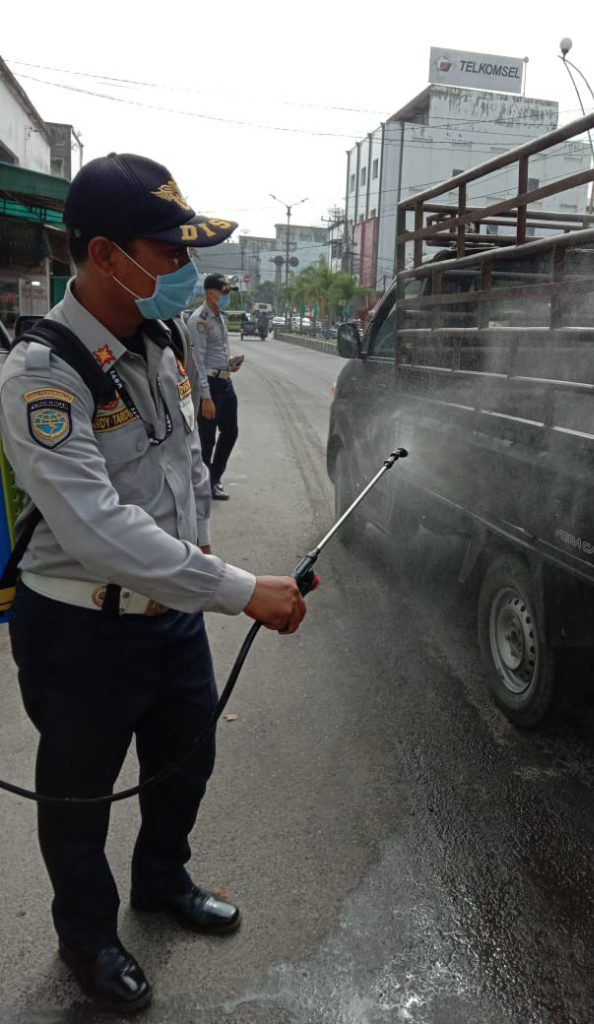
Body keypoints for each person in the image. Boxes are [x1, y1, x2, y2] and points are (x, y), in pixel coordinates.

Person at [0, 152, 306, 1015]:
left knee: (186, 760)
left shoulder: (161, 336)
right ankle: (89, 937)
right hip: (80, 632)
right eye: (169, 253)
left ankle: (162, 881)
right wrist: (239, 588)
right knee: (78, 795)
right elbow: (101, 531)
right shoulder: (41, 377)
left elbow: (182, 474)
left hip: (168, 617)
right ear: (106, 254)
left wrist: (200, 573)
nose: (187, 271)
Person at [187, 274, 242, 500]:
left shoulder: (221, 317)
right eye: (224, 292)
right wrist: (206, 397)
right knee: (207, 438)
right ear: (210, 292)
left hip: (225, 381)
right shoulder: (198, 320)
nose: (226, 296)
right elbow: (197, 361)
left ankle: (215, 477)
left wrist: (229, 365)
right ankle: (203, 483)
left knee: (231, 431)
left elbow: (216, 352)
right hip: (209, 385)